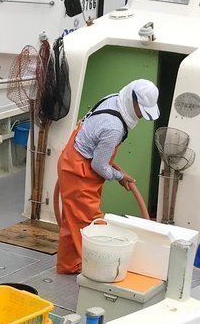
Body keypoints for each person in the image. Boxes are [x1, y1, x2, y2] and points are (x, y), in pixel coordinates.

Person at [56, 79, 161, 274]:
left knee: (73, 222)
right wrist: (119, 176)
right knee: (91, 225)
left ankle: (69, 265)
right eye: (141, 110)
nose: (140, 115)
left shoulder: (114, 99)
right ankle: (99, 270)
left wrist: (118, 173)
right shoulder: (114, 127)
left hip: (74, 159)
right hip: (78, 171)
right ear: (134, 101)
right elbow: (99, 165)